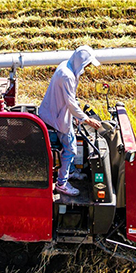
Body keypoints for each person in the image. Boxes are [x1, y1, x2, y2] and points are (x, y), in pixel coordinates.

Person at [37, 46, 103, 197]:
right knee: (70, 149)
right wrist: (86, 119)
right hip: (58, 118)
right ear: (81, 62)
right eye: (87, 64)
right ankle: (62, 183)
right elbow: (70, 103)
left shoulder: (66, 65)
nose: (87, 68)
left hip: (53, 113)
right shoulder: (67, 76)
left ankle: (71, 171)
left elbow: (71, 99)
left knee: (67, 147)